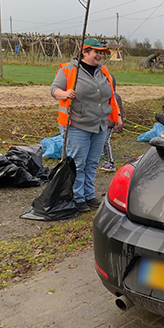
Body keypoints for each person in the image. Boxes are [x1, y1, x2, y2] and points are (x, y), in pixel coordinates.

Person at [50, 38, 122, 213]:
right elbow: (54, 90)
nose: (99, 55)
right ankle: (77, 197)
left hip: (100, 125)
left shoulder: (103, 71)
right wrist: (66, 93)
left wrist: (117, 115)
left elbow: (111, 96)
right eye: (96, 52)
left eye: (101, 53)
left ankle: (89, 195)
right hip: (77, 125)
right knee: (78, 163)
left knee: (92, 163)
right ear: (85, 52)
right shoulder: (68, 69)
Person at [100, 74, 123, 172]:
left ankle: (110, 162)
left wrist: (118, 123)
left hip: (109, 123)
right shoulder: (103, 97)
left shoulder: (115, 98)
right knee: (102, 141)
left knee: (106, 141)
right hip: (102, 122)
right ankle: (106, 159)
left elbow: (118, 112)